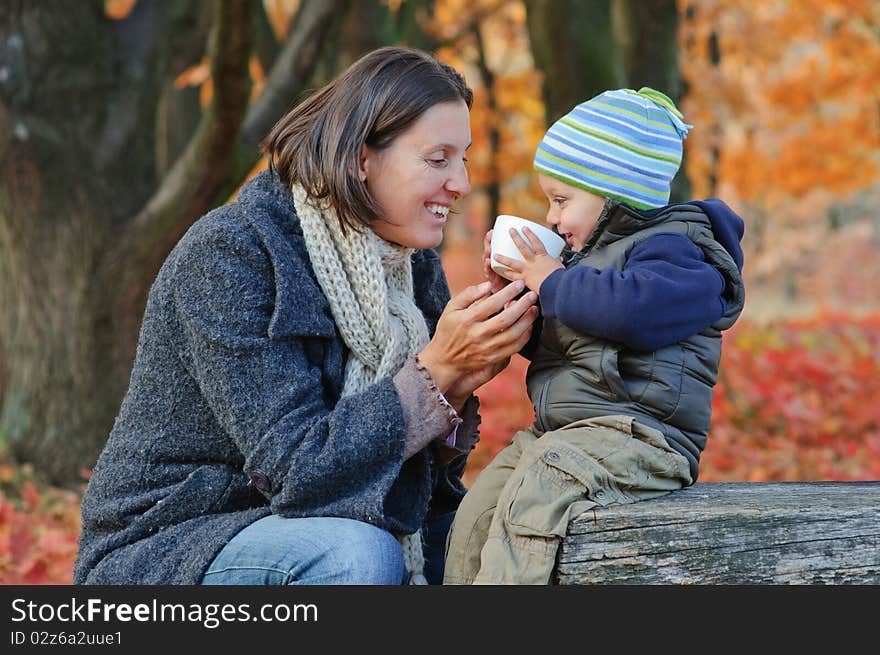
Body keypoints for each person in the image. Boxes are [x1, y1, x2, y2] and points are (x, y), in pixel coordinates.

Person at [73, 46, 540, 586]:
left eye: (463, 158)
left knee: (500, 541)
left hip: (311, 524)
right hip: (171, 546)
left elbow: (423, 488)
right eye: (438, 159)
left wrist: (458, 382)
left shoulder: (413, 269)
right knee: (354, 556)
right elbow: (296, 468)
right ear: (361, 158)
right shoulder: (234, 254)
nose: (459, 182)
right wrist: (434, 375)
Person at [443, 87, 746, 584]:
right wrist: (517, 300)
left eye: (561, 200)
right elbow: (566, 345)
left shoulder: (680, 255)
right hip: (564, 435)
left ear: (615, 194)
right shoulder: (585, 269)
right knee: (478, 508)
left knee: (536, 495)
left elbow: (632, 314)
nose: (551, 217)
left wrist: (553, 281)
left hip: (643, 438)